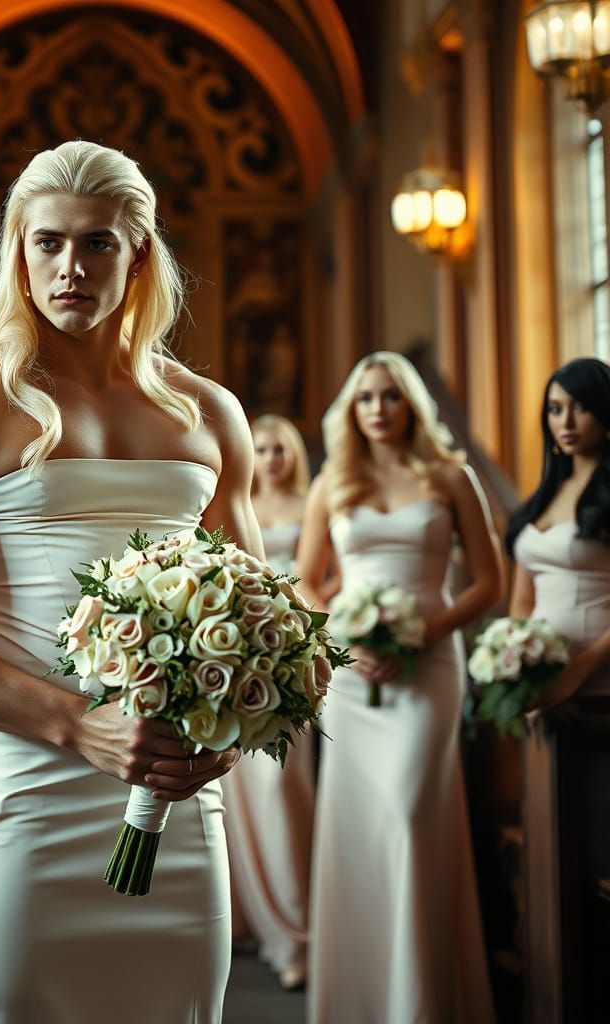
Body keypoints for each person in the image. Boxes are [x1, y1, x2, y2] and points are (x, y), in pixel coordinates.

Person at [0, 140, 260, 1023]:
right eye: (47, 243)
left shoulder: (209, 413)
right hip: (28, 796)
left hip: (178, 801)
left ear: (140, 254)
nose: (69, 267)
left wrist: (231, 737)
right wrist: (78, 726)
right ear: (17, 251)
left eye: (97, 244)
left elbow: (259, 611)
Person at [297, 351, 497, 1023]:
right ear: (350, 412)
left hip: (431, 668)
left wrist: (422, 630)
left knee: (411, 816)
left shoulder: (450, 476)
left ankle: (423, 1001)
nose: (378, 409)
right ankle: (363, 1001)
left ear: (412, 405)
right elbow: (306, 582)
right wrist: (346, 640)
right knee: (359, 829)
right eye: (366, 399)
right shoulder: (333, 482)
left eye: (391, 397)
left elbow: (489, 584)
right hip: (354, 682)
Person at [221, 414, 314, 989]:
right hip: (236, 656)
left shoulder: (313, 503)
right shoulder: (236, 502)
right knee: (238, 795)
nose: (272, 457)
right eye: (262, 448)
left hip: (293, 653)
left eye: (281, 447)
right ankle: (249, 919)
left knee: (283, 786)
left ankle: (296, 928)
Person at [507, 357, 610, 703]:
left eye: (580, 407)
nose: (565, 421)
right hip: (543, 682)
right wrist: (517, 662)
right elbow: (522, 600)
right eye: (554, 409)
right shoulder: (545, 496)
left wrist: (578, 671)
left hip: (597, 679)